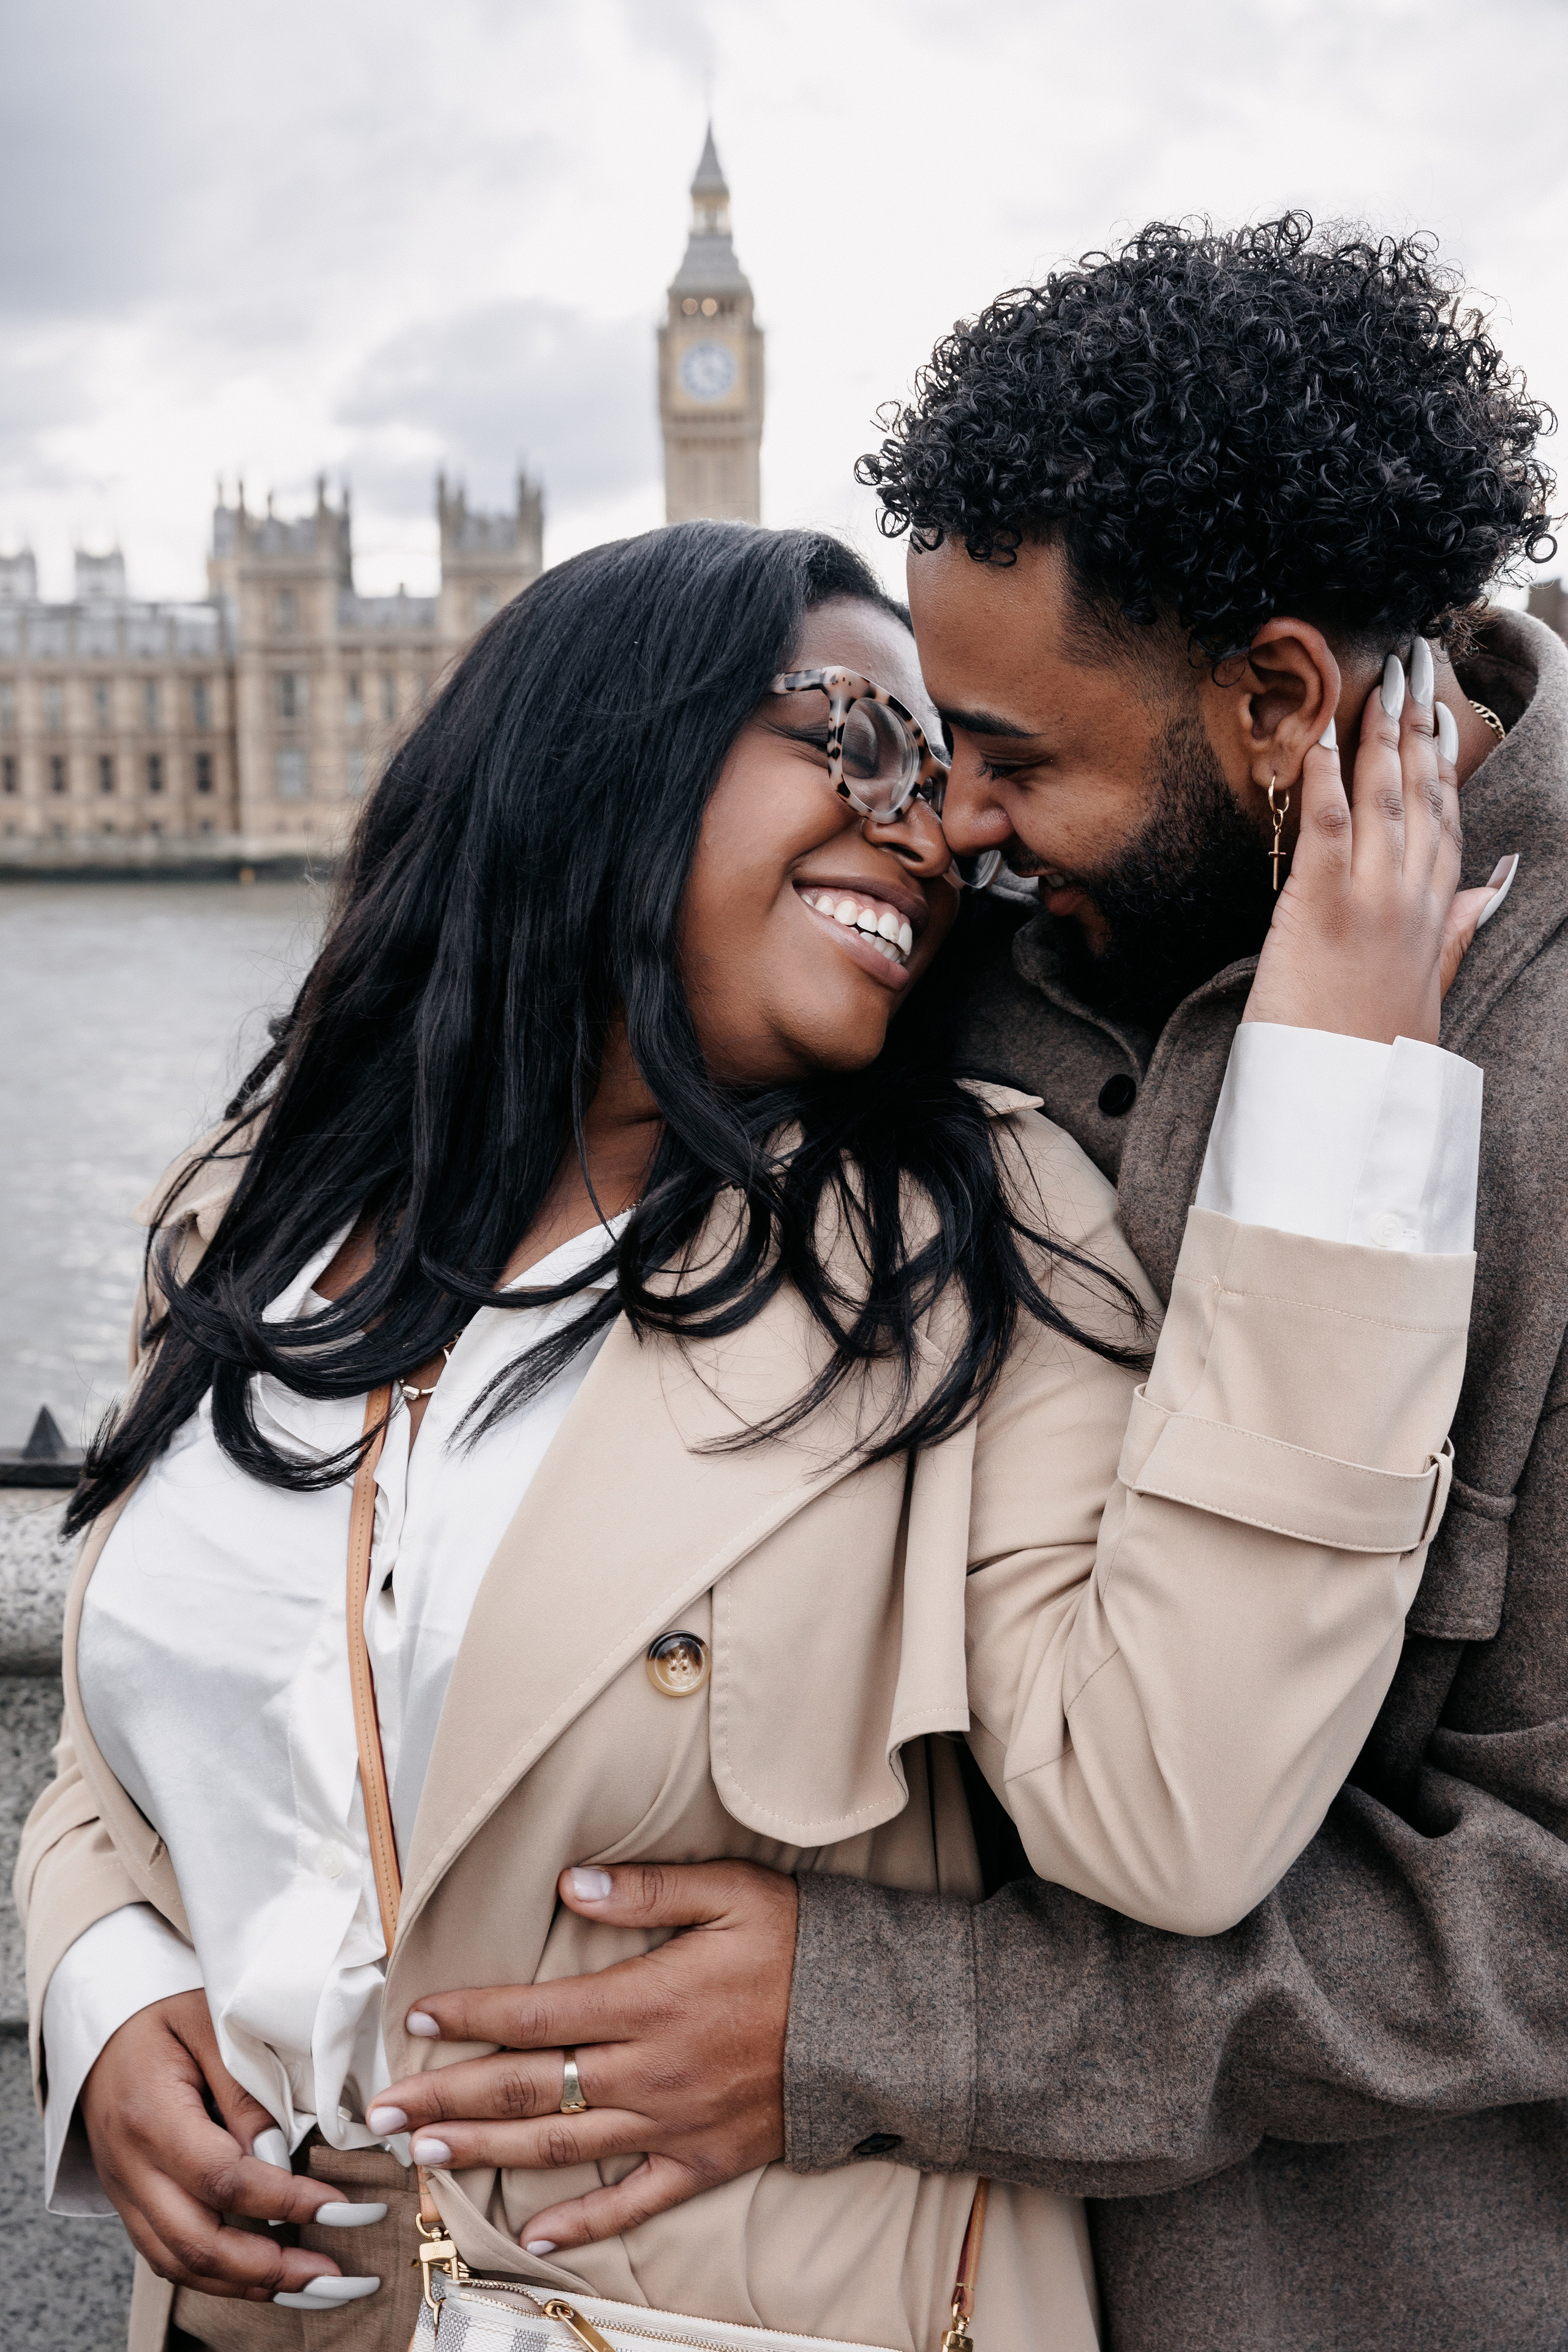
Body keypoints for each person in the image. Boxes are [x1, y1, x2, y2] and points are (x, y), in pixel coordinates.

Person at [19, 514, 1483, 2352]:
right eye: (856, 737)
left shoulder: (964, 1237)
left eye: (949, 776)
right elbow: (123, 1736)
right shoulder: (243, 1212)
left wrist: (1347, 1117)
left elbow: (1172, 1811)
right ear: (602, 740)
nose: (935, 826)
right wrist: (103, 1986)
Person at [403, 221, 1568, 2352]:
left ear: (1279, 700)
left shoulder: (1551, 1080)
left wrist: (878, 2020)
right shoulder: (969, 974)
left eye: (1012, 760)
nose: (951, 825)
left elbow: (1543, 1902)